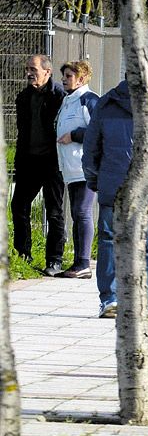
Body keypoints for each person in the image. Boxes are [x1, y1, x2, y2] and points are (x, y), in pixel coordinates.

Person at [83, 79, 148, 319]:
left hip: (113, 184)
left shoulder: (106, 102)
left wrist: (94, 181)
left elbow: (91, 149)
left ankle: (110, 299)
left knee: (109, 242)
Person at [13, 54, 67, 274]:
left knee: (54, 211)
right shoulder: (24, 97)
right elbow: (22, 132)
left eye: (33, 69)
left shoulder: (60, 97)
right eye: (28, 69)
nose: (29, 73)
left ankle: (54, 260)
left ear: (47, 72)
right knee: (18, 206)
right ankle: (23, 255)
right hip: (29, 161)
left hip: (52, 162)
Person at [54, 61, 100, 279]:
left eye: (69, 76)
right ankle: (78, 263)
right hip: (70, 167)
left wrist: (74, 136)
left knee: (82, 212)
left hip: (85, 167)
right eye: (63, 75)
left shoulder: (89, 100)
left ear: (81, 79)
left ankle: (83, 263)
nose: (64, 79)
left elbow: (97, 131)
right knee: (76, 213)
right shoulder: (68, 100)